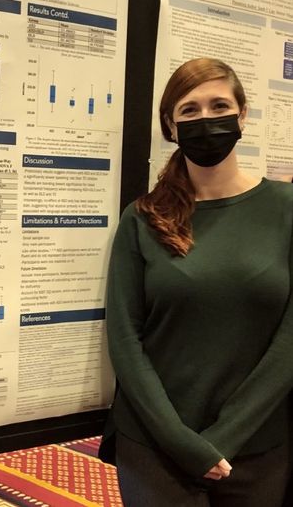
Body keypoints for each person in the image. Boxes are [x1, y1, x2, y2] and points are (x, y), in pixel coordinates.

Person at [98, 57, 292, 506]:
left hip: (258, 445)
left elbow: (289, 341)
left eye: (219, 106)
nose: (206, 119)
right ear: (171, 125)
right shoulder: (143, 218)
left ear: (242, 115)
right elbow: (125, 340)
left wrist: (226, 436)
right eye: (189, 110)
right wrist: (180, 441)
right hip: (156, 446)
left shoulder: (285, 209)